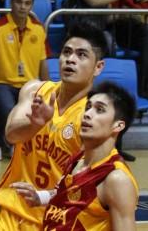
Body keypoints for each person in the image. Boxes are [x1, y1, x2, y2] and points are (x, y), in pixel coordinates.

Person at [0, 22, 108, 230]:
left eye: (81, 55)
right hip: (12, 213)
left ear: (98, 67)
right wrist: (34, 124)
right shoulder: (35, 90)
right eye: (66, 52)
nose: (71, 59)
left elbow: (87, 186)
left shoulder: (93, 116)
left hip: (58, 219)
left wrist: (42, 197)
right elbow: (10, 135)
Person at [11, 82, 138, 230]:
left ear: (118, 126)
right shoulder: (78, 159)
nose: (87, 114)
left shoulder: (116, 179)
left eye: (100, 110)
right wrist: (39, 197)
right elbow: (69, 194)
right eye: (88, 107)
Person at [0, 0, 49, 161]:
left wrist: (48, 90)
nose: (22, 7)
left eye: (27, 3)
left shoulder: (39, 29)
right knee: (8, 109)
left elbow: (43, 63)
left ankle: (16, 143)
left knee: (33, 110)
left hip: (29, 85)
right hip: (1, 83)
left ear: (31, 5)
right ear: (11, 3)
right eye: (19, 2)